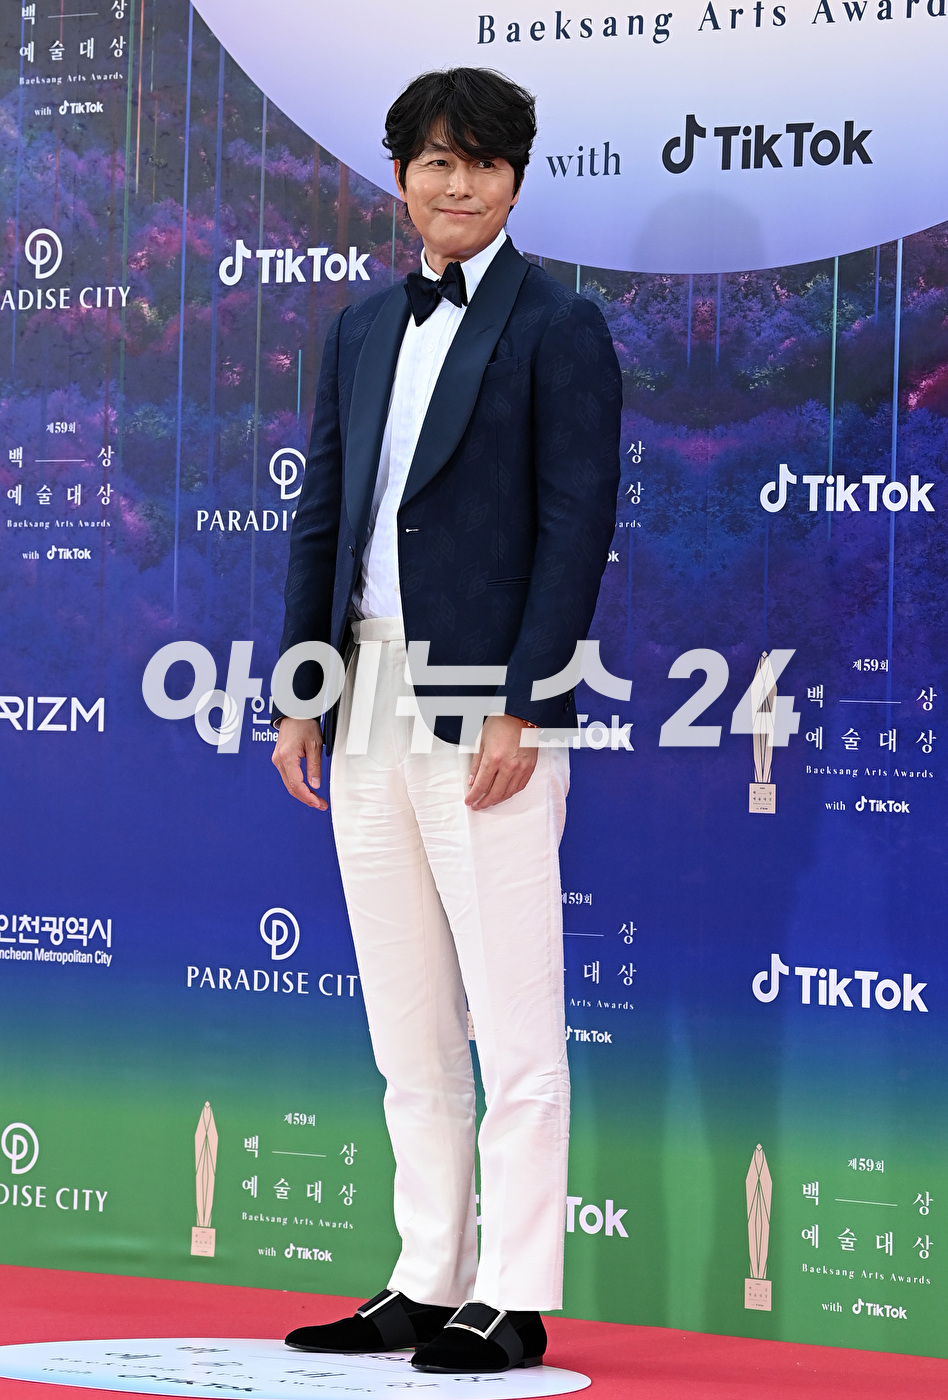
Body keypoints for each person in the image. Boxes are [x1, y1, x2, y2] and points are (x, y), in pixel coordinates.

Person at [271, 67, 621, 1374]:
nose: (455, 182)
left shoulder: (559, 326)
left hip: (488, 705)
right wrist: (303, 690)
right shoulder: (362, 326)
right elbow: (324, 516)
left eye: (479, 161)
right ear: (401, 178)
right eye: (433, 160)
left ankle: (514, 1295)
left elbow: (575, 527)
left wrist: (528, 701)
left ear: (514, 178)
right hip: (362, 694)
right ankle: (426, 1278)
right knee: (406, 1015)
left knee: (514, 1020)